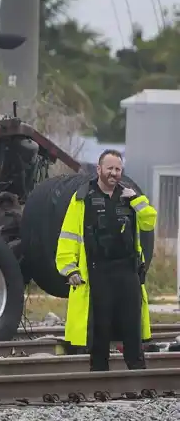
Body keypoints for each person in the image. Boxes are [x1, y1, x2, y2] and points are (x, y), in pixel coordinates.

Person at [55, 149, 157, 371]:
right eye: (110, 168)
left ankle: (137, 369)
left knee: (132, 323)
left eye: (118, 169)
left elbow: (149, 221)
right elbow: (69, 236)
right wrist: (70, 269)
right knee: (99, 324)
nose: (114, 173)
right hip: (97, 271)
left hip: (127, 270)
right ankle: (100, 371)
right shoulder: (83, 198)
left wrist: (137, 200)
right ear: (99, 169)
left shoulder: (130, 197)